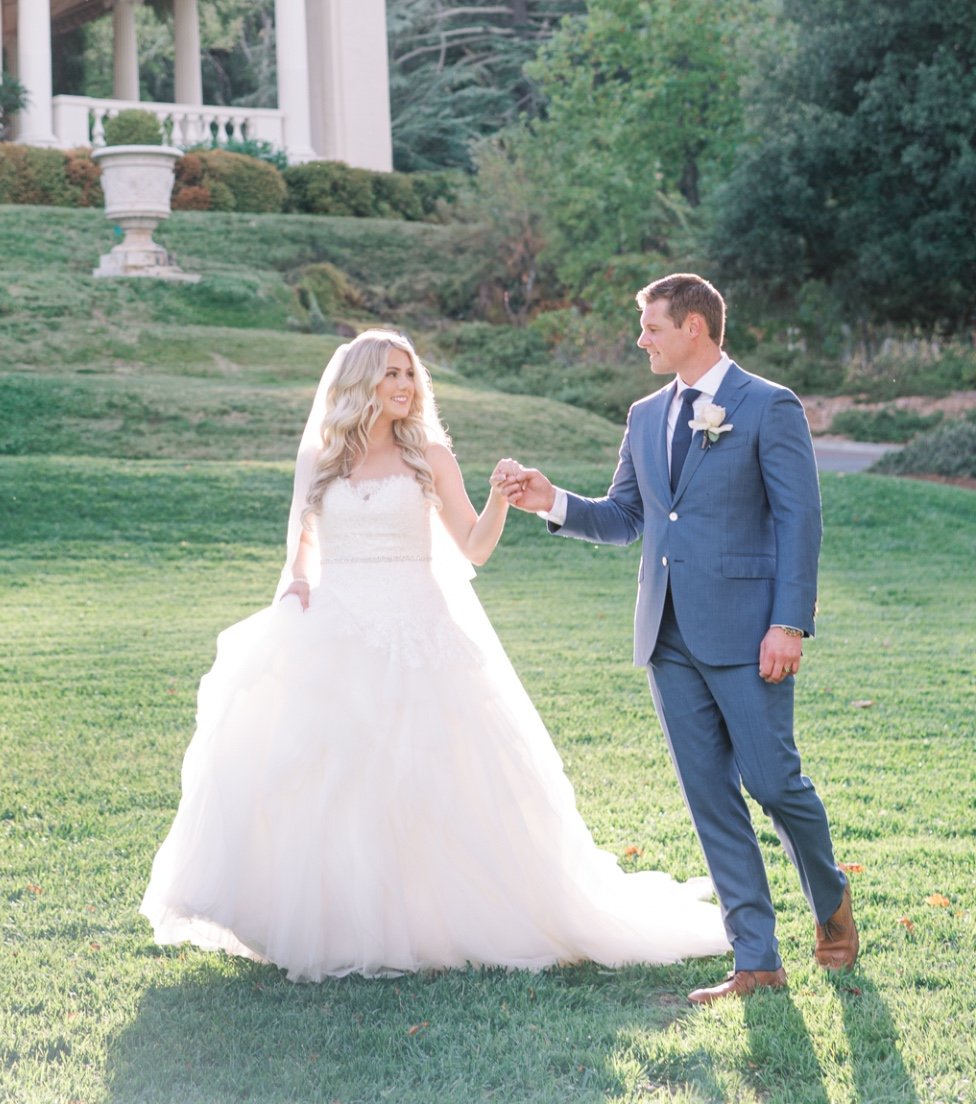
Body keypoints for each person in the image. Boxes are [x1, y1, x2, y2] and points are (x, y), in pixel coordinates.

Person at [141, 327, 728, 981]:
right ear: (361, 382)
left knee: (429, 778)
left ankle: (430, 921)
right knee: (323, 775)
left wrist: (501, 501)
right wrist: (298, 587)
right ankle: (332, 920)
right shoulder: (323, 457)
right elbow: (297, 553)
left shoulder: (429, 456)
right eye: (390, 374)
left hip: (418, 630)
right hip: (335, 628)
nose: (402, 386)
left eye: (409, 375)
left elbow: (473, 546)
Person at [500, 274, 859, 1004]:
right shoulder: (642, 415)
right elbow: (628, 516)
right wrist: (553, 501)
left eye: (652, 327)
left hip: (750, 633)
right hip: (666, 636)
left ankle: (830, 898)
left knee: (773, 784)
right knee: (710, 799)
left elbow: (801, 523)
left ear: (695, 326)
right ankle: (757, 960)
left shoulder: (769, 406)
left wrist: (788, 624)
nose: (642, 340)